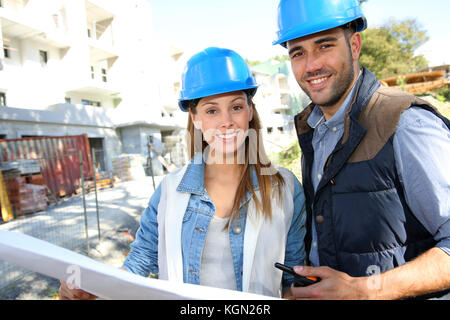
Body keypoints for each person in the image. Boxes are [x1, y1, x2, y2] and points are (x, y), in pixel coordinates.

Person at [59, 47, 307, 299]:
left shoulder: (284, 188)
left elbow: (291, 279)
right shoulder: (169, 191)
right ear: (195, 117)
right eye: (212, 110)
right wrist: (94, 290)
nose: (226, 121)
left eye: (236, 107)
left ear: (250, 110)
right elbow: (141, 260)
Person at [273, 0, 450, 300]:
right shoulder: (314, 133)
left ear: (354, 45)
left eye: (324, 46)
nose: (311, 65)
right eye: (298, 53)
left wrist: (361, 290)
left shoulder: (406, 123)